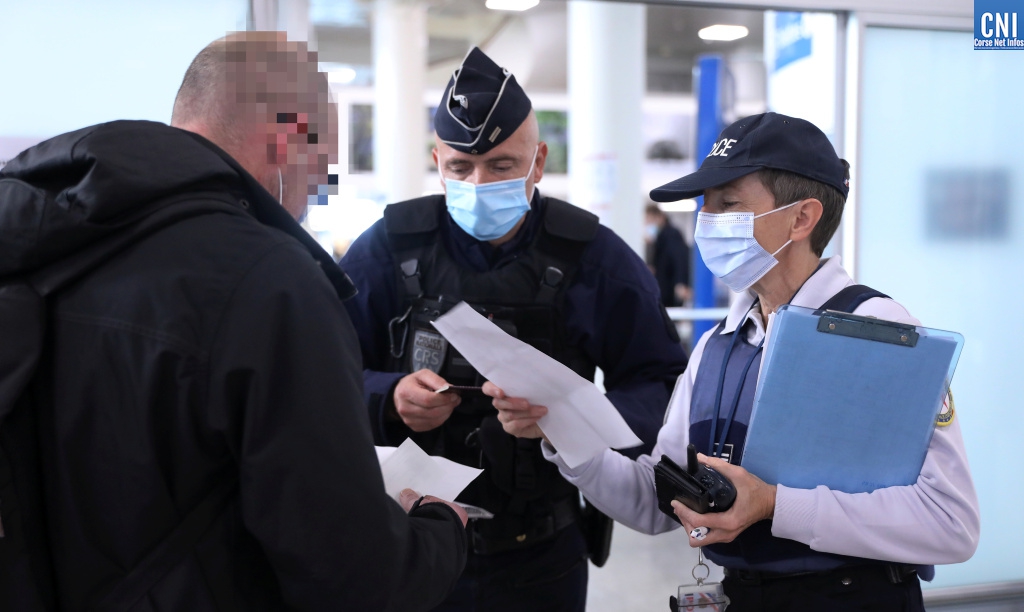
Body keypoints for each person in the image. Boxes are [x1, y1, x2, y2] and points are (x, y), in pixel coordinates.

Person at [0, 32, 468, 610]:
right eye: (322, 168)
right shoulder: (269, 280)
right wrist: (438, 532)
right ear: (291, 135)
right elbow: (353, 575)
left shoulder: (41, 242)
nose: (314, 195)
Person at [488, 112, 980, 611]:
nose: (707, 221)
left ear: (802, 218)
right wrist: (562, 430)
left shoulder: (879, 332)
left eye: (728, 205)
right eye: (705, 206)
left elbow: (949, 522)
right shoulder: (716, 347)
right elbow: (656, 502)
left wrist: (774, 505)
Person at [340, 47, 688, 612]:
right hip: (408, 544)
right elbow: (317, 377)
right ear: (437, 160)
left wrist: (570, 421)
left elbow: (663, 385)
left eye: (502, 166)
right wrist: (388, 396)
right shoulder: (388, 248)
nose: (478, 183)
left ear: (538, 160)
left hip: (540, 555)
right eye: (460, 168)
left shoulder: (594, 259)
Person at [645, 203, 691, 306]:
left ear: (659, 218)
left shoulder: (672, 234)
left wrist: (681, 282)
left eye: (650, 220)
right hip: (663, 288)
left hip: (670, 288)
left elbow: (680, 259)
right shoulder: (657, 238)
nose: (648, 224)